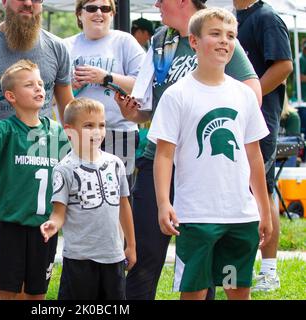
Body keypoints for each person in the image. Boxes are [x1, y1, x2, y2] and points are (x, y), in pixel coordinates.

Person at [115, 0, 262, 300]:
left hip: (202, 164)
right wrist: (134, 113)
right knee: (144, 250)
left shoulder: (218, 34)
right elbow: (152, 109)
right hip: (160, 155)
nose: (156, 3)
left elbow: (251, 94)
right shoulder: (160, 40)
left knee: (204, 262)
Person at [0, 0, 73, 300]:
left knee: (31, 262)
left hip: (41, 173)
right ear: (5, 2)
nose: (29, 4)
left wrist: (79, 159)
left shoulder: (57, 47)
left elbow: (68, 110)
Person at [40, 98, 136, 300]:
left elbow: (124, 206)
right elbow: (59, 213)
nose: (97, 131)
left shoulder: (116, 164)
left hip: (113, 257)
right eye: (88, 126)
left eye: (101, 125)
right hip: (79, 259)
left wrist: (131, 245)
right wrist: (53, 224)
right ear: (69, 130)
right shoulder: (64, 169)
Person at [233, 0, 293, 292]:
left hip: (260, 119)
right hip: (230, 120)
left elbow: (283, 66)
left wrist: (249, 95)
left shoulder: (267, 17)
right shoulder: (232, 17)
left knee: (261, 189)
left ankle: (269, 271)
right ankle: (234, 269)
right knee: (236, 190)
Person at [64, 0, 145, 187]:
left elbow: (142, 84)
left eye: (105, 8)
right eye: (92, 8)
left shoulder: (124, 41)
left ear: (112, 14)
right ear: (79, 14)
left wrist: (106, 77)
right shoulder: (66, 45)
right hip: (77, 134)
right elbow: (52, 91)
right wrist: (71, 85)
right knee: (80, 192)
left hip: (119, 132)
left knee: (118, 194)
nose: (99, 13)